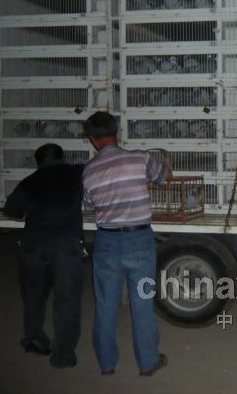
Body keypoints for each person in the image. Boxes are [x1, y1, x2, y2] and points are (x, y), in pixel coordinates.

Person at [82, 111, 169, 376]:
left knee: (105, 306)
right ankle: (148, 363)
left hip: (106, 242)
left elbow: (89, 205)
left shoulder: (89, 170)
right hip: (139, 240)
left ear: (93, 139)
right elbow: (164, 177)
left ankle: (107, 364)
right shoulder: (140, 158)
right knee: (142, 303)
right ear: (116, 132)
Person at [4, 143, 85, 368]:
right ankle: (63, 356)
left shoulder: (30, 181)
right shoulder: (77, 173)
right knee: (67, 302)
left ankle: (35, 341)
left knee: (33, 298)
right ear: (62, 157)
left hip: (33, 248)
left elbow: (12, 210)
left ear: (38, 162)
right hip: (66, 248)